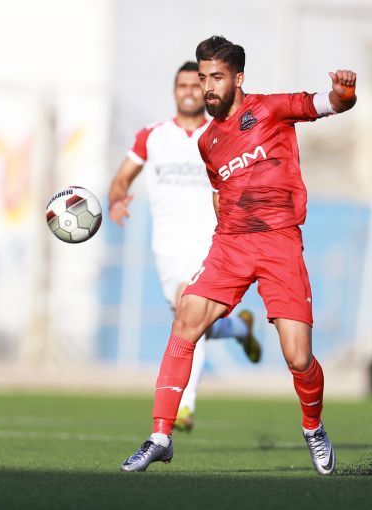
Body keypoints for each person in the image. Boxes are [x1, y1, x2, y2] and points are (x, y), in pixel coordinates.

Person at [121, 35, 357, 475]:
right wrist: (221, 240)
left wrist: (343, 93)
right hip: (230, 243)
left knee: (298, 357)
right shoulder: (208, 142)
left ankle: (313, 427)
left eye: (216, 77)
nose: (207, 87)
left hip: (279, 242)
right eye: (203, 78)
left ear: (239, 78)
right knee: (186, 320)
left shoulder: (271, 109)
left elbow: (328, 104)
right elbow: (219, 192)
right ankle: (160, 436)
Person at [108, 61, 262, 432]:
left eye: (196, 85)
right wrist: (116, 199)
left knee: (186, 309)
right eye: (183, 86)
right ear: (174, 91)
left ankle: (183, 406)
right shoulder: (152, 136)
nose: (190, 91)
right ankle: (239, 330)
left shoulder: (221, 132)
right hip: (166, 248)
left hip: (210, 242)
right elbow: (122, 177)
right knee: (194, 324)